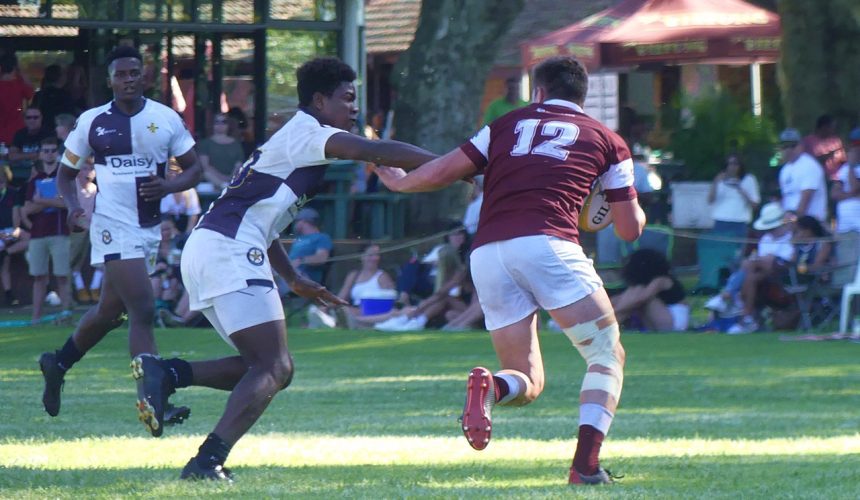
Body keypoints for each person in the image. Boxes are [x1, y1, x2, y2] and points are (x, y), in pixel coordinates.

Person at [375, 56, 645, 485]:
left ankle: (493, 387)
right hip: (548, 244)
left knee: (528, 381)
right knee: (606, 354)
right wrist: (612, 206)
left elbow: (443, 170)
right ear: (583, 95)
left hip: (487, 252)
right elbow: (630, 231)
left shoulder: (504, 126)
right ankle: (585, 467)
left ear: (537, 92)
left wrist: (399, 182)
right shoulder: (607, 140)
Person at [176, 56, 438, 481]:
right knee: (273, 367)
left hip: (215, 245)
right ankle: (206, 462)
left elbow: (265, 222)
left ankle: (168, 373)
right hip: (227, 248)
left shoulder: (295, 139)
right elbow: (373, 151)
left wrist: (294, 278)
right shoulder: (309, 133)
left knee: (263, 367)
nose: (354, 108)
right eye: (347, 99)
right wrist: (458, 162)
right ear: (318, 100)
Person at [38, 46, 202, 437]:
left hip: (147, 228)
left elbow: (194, 169)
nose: (129, 78)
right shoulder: (92, 122)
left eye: (135, 72)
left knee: (110, 313)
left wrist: (169, 184)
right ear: (110, 80)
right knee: (143, 309)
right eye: (121, 74)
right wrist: (75, 207)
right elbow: (65, 176)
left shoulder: (165, 119)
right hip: (111, 224)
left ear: (143, 76)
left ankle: (57, 364)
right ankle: (154, 399)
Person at [22, 138, 73, 323]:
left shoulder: (63, 176)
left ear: (57, 153)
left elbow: (66, 203)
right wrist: (51, 202)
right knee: (38, 277)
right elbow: (26, 209)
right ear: (41, 153)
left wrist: (41, 201)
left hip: (60, 232)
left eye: (52, 150)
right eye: (46, 150)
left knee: (62, 276)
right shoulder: (35, 179)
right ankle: (36, 318)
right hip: (37, 234)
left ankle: (66, 314)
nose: (49, 153)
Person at [725, 202, 796, 334]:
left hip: (782, 272)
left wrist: (770, 258)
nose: (771, 231)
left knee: (750, 263)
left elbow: (790, 259)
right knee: (750, 275)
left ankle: (730, 293)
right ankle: (747, 317)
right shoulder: (766, 238)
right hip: (763, 273)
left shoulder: (791, 237)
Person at [610, 249, 688, 332]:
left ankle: (608, 322)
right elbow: (625, 297)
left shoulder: (661, 280)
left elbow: (642, 298)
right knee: (631, 294)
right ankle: (607, 324)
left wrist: (616, 311)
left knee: (645, 300)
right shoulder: (642, 284)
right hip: (662, 319)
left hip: (674, 322)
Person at [778, 128, 828, 222]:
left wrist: (793, 221)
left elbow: (806, 198)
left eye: (793, 146)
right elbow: (786, 199)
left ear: (801, 146)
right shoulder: (784, 170)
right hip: (792, 224)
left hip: (811, 225)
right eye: (785, 146)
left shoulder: (809, 166)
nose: (789, 149)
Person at [830, 128, 860, 285]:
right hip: (845, 229)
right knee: (846, 274)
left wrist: (852, 165)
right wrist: (851, 195)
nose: (856, 148)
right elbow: (834, 193)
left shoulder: (849, 168)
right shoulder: (843, 169)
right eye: (854, 145)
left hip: (859, 228)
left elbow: (856, 187)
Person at [68, 160, 100, 304]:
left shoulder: (94, 188)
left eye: (91, 169)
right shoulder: (72, 186)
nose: (88, 172)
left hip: (94, 228)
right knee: (73, 259)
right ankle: (75, 291)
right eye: (85, 169)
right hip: (76, 228)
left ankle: (94, 288)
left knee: (101, 259)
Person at [0, 172, 29, 306]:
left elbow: (16, 217)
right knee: (4, 263)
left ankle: (7, 251)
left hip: (10, 230)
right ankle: (8, 294)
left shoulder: (13, 193)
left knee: (30, 239)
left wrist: (13, 232)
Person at [198, 113, 246, 190]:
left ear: (228, 125)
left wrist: (230, 177)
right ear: (212, 125)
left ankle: (227, 187)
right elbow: (205, 166)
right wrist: (222, 178)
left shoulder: (236, 144)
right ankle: (224, 187)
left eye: (224, 122)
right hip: (212, 180)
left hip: (232, 179)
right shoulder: (205, 143)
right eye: (217, 122)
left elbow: (238, 165)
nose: (220, 124)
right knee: (206, 173)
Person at [287, 207, 332, 284]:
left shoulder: (322, 237)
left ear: (304, 221)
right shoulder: (298, 238)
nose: (295, 224)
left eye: (297, 221)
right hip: (289, 273)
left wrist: (301, 260)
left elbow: (322, 258)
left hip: (305, 277)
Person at [9, 107, 52, 187]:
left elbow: (49, 155)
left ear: (41, 118)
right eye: (29, 117)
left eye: (35, 117)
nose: (32, 120)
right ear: (24, 120)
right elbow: (12, 156)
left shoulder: (48, 134)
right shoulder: (19, 134)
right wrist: (34, 155)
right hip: (20, 173)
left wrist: (21, 155)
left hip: (42, 173)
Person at [0, 52, 34, 146]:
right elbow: (30, 93)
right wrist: (21, 72)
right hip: (17, 127)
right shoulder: (19, 83)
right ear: (15, 66)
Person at [159, 161, 202, 236]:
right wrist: (175, 233)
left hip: (185, 225)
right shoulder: (163, 190)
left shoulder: (190, 191)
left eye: (177, 172)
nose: (173, 174)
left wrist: (188, 234)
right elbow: (164, 215)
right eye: (171, 171)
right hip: (168, 225)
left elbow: (193, 215)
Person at [32, 64, 76, 133]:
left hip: (42, 131)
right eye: (64, 74)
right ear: (60, 77)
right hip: (61, 130)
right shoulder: (64, 95)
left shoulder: (39, 95)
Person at [802, 114, 845, 181]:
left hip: (839, 179)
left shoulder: (836, 140)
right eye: (832, 127)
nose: (833, 130)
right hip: (819, 179)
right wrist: (826, 156)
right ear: (824, 127)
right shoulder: (807, 142)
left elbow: (843, 160)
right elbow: (807, 163)